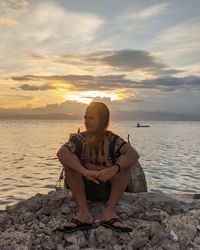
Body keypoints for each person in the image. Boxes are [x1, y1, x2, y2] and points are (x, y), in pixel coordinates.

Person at [56, 102, 140, 233]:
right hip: (83, 188)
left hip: (107, 188)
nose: (86, 122)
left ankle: (109, 213)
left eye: (91, 118)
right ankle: (84, 214)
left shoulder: (113, 139)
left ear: (102, 120)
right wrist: (84, 171)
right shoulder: (79, 139)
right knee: (70, 163)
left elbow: (133, 154)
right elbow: (62, 153)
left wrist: (113, 169)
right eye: (85, 118)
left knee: (124, 164)